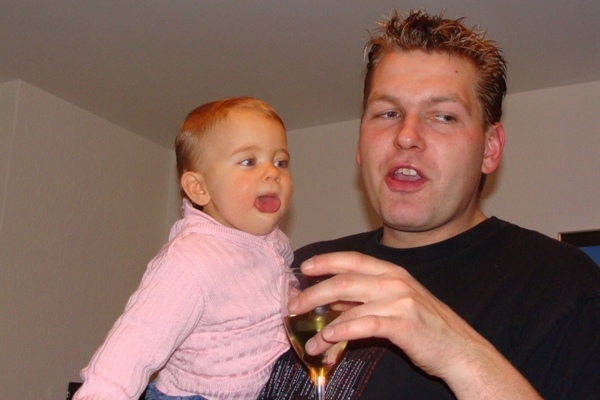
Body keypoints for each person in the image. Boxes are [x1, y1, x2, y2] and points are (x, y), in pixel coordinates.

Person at [258, 10, 600, 400]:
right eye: (388, 113)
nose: (406, 136)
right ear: (360, 144)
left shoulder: (564, 284)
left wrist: (454, 350)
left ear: (490, 149)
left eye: (443, 116)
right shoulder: (303, 271)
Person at [75, 97, 294, 400]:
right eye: (248, 161)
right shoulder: (191, 258)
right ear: (199, 189)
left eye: (280, 162)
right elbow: (137, 341)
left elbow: (280, 297)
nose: (272, 173)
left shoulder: (275, 244)